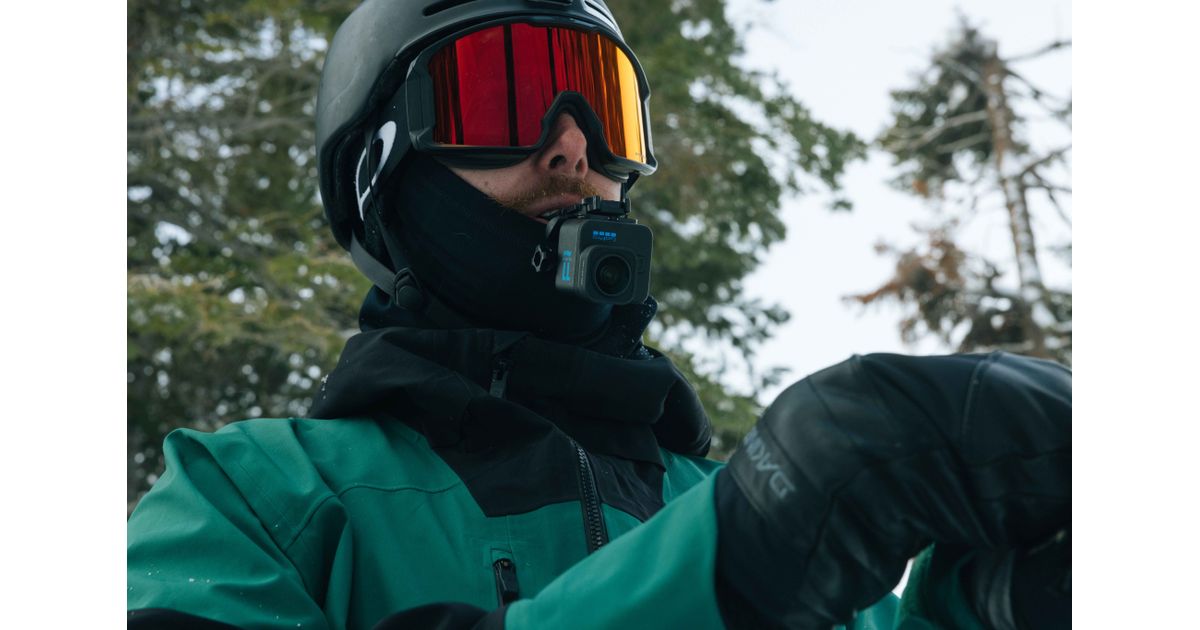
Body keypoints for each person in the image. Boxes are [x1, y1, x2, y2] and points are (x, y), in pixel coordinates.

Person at [126, 1, 1071, 628]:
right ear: (383, 172)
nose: (573, 149)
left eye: (604, 113)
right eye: (502, 96)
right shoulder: (251, 498)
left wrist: (988, 604)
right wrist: (727, 574)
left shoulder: (765, 512)